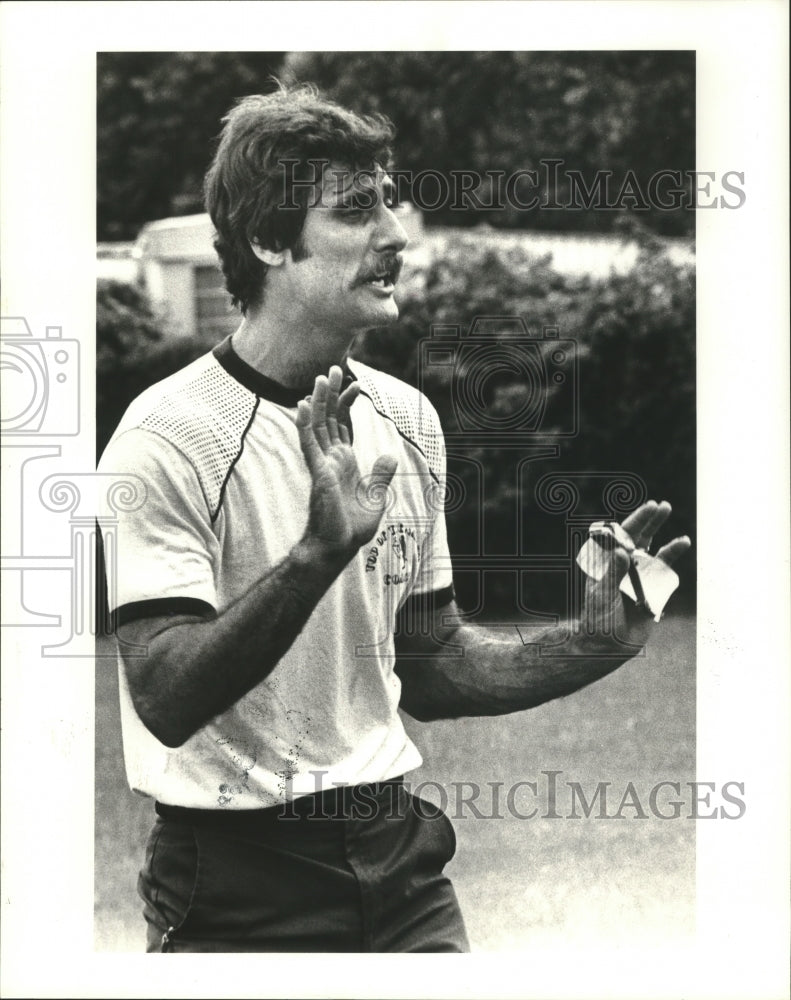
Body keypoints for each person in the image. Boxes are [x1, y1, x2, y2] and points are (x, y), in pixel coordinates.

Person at [98, 84, 690, 953]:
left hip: (398, 862)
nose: (394, 236)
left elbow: (435, 660)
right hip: (235, 886)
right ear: (267, 240)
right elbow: (166, 696)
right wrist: (317, 554)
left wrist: (593, 638)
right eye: (354, 211)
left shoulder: (408, 419)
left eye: (389, 201)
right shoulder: (169, 436)